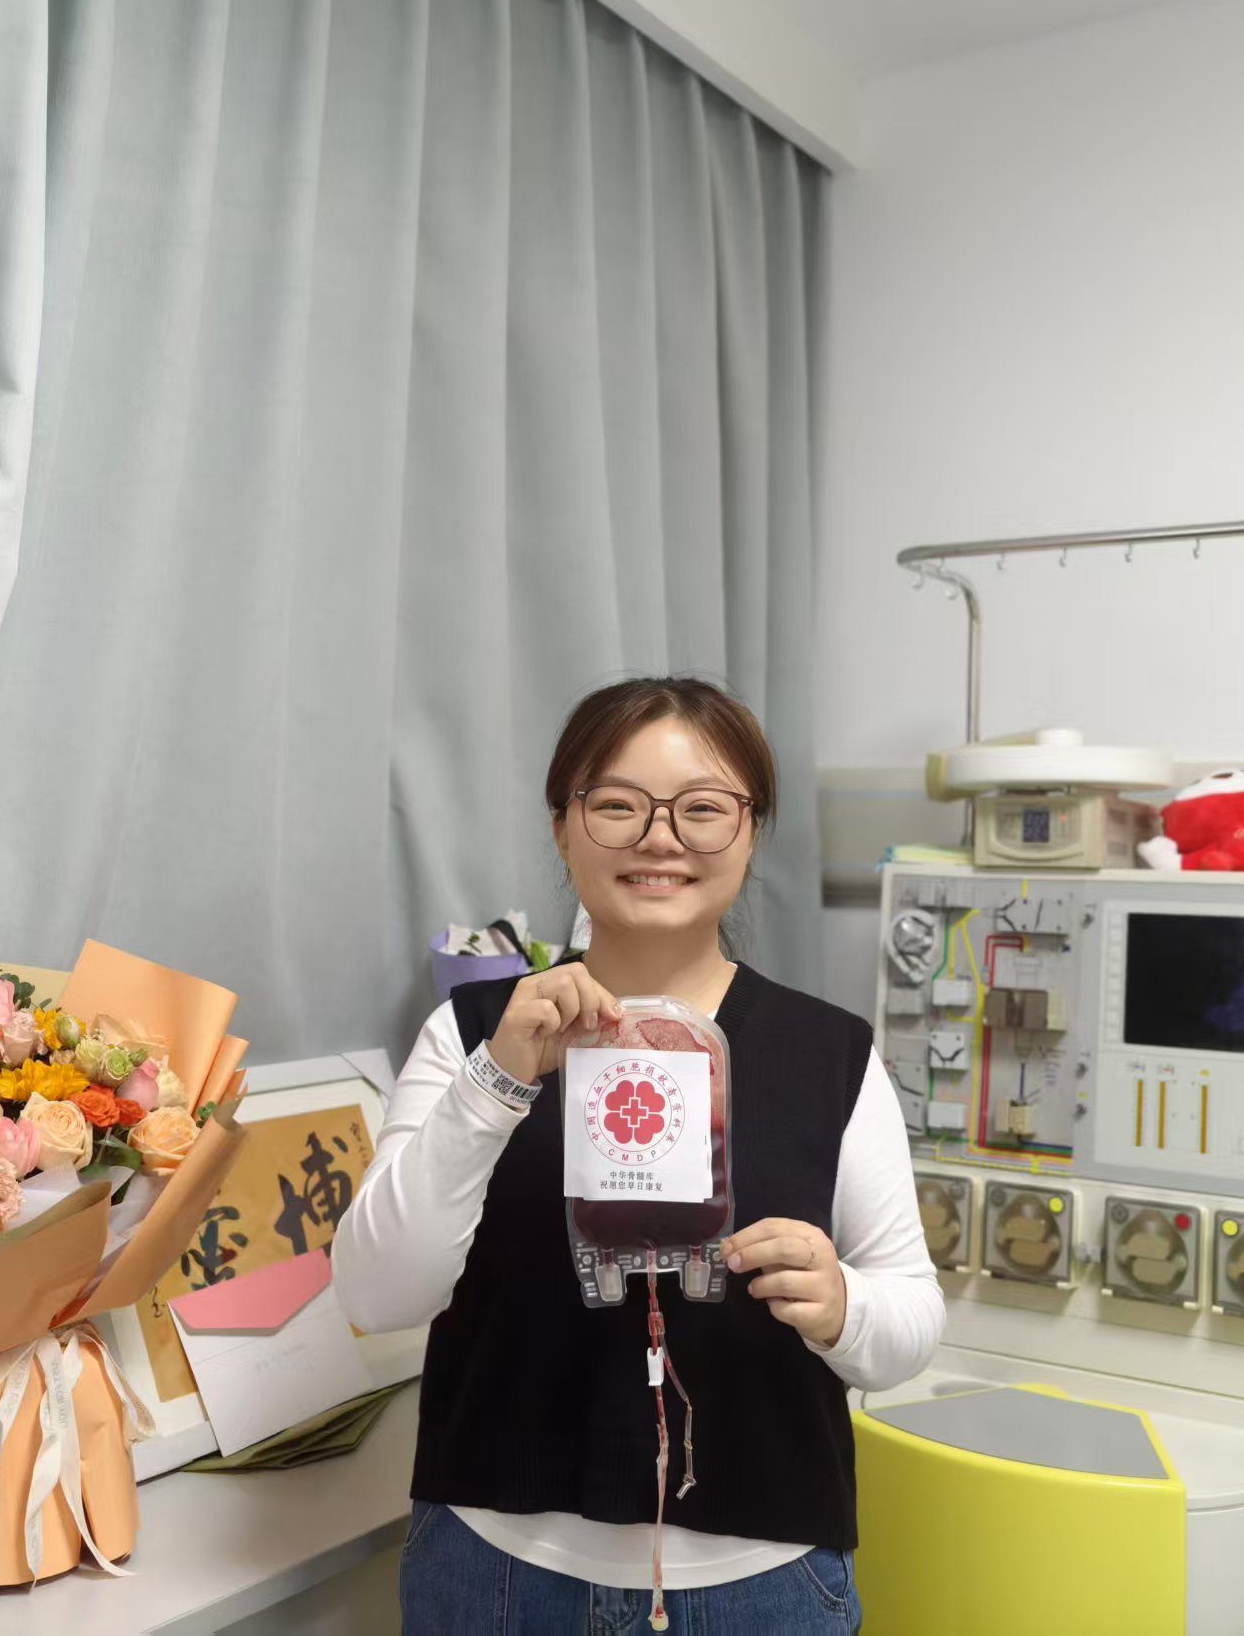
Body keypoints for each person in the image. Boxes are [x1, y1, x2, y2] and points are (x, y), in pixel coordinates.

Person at [332, 676, 944, 1634]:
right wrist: (498, 1081)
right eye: (617, 805)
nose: (661, 839)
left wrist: (843, 1306)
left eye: (702, 809)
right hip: (494, 1572)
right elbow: (376, 1294)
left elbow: (909, 1318)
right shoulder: (475, 1033)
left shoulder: (829, 1054)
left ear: (750, 831)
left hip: (761, 1586)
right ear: (561, 827)